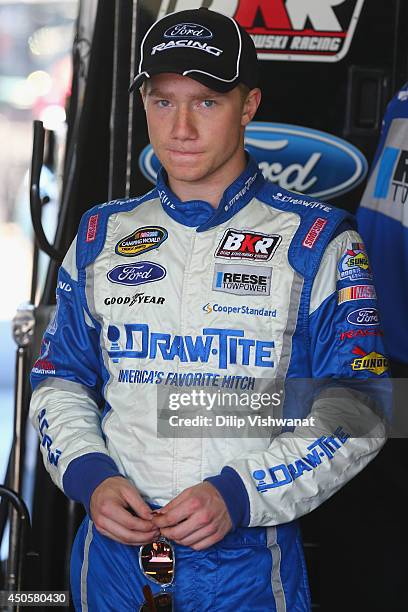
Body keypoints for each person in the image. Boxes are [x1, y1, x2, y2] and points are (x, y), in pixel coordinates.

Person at [29, 7, 389, 611]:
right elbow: (60, 379)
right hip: (112, 560)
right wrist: (90, 475)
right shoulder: (99, 235)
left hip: (246, 565)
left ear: (248, 106)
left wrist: (240, 494)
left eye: (207, 102)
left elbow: (364, 404)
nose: (181, 128)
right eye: (163, 101)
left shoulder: (318, 241)